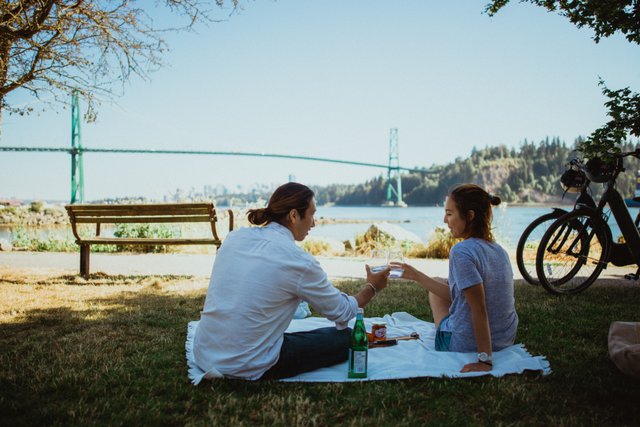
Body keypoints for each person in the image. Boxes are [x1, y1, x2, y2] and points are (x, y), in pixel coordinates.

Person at [193, 182, 389, 380]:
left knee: (311, 335)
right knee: (347, 337)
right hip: (246, 363)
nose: (314, 223)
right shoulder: (299, 261)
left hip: (204, 353)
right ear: (294, 215)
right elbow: (341, 311)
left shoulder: (235, 238)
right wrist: (372, 287)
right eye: (312, 215)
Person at [391, 184, 518, 372]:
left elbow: (479, 307)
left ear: (470, 216)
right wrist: (416, 275)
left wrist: (484, 360)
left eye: (449, 214)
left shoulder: (462, 251)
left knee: (435, 295)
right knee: (440, 282)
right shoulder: (499, 250)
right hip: (505, 339)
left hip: (464, 345)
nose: (445, 220)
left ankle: (452, 333)